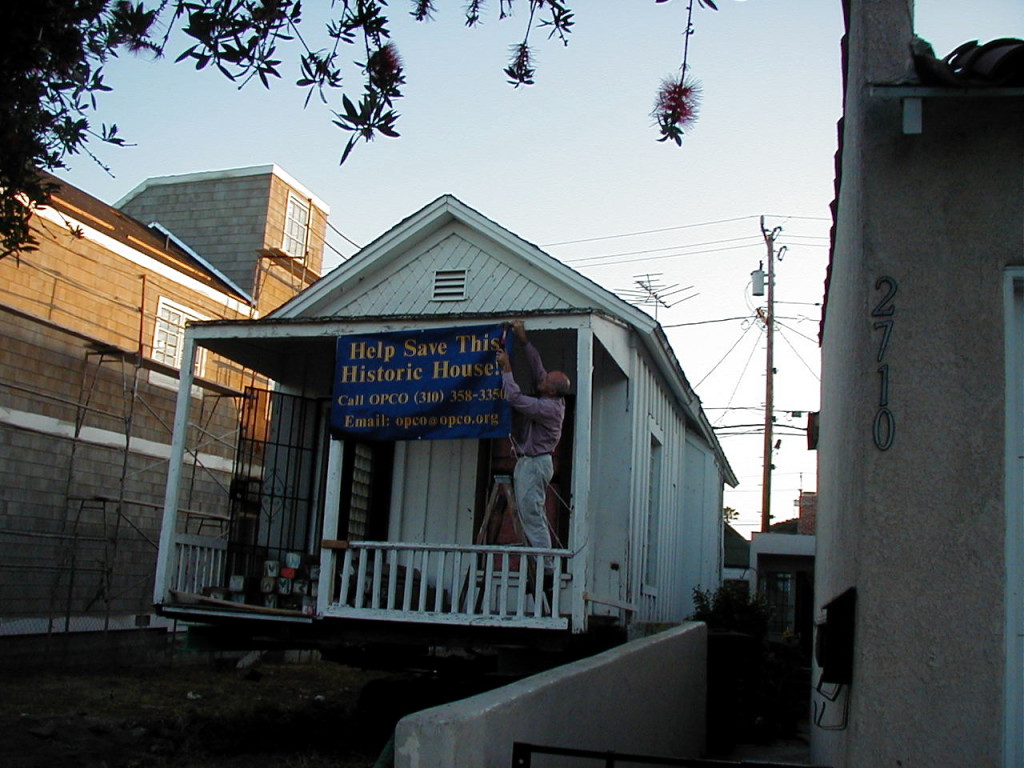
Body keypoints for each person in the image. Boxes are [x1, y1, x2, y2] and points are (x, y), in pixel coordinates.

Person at [495, 320, 571, 550]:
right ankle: (538, 562)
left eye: (546, 381)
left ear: (550, 390)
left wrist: (506, 367)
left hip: (536, 463)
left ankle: (544, 569)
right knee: (529, 512)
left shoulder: (548, 408)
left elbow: (515, 398)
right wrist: (523, 339)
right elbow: (537, 367)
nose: (542, 378)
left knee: (533, 515)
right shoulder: (551, 394)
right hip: (531, 462)